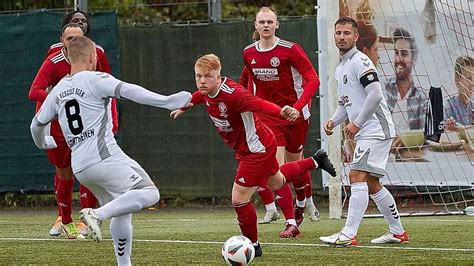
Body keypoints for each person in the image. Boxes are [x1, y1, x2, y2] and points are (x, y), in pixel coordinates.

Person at [30, 36, 192, 265]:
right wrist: (167, 101)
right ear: (92, 57)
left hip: (80, 167)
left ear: (70, 59)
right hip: (103, 157)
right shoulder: (96, 79)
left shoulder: (58, 91)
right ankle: (96, 214)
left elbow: (36, 125)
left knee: (122, 208)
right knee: (149, 192)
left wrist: (43, 142)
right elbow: (129, 90)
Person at [171, 54, 336, 256]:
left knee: (239, 199)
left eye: (208, 76)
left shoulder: (234, 94)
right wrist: (183, 107)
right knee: (277, 182)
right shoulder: (207, 90)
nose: (202, 81)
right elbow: (199, 95)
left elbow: (259, 104)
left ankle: (253, 246)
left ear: (218, 75)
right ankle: (316, 161)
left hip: (256, 150)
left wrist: (282, 112)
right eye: (199, 76)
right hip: (255, 146)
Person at [319, 17, 409, 246]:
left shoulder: (361, 61)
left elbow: (376, 94)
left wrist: (357, 123)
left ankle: (348, 235)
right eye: (338, 32)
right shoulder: (341, 68)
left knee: (355, 176)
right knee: (371, 183)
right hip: (368, 129)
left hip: (376, 128)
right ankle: (397, 232)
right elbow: (345, 104)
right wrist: (333, 121)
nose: (341, 37)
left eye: (347, 33)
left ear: (356, 37)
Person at [241, 6, 321, 234]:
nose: (265, 25)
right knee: (274, 168)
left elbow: (313, 80)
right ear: (255, 25)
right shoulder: (248, 53)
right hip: (268, 117)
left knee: (295, 163)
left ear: (277, 24)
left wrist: (297, 108)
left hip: (296, 116)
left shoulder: (290, 50)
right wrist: (247, 108)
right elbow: (246, 81)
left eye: (270, 22)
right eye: (261, 22)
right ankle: (291, 222)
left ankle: (304, 202)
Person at [385, 27, 429, 160]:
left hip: (409, 158)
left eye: (404, 54)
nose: (398, 59)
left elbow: (427, 132)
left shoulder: (422, 97)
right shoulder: (382, 89)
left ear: (413, 60)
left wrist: (406, 139)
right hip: (382, 155)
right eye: (396, 53)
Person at [444, 56, 473, 130]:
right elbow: (442, 130)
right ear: (457, 81)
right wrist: (448, 127)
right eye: (468, 78)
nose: (472, 83)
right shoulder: (449, 106)